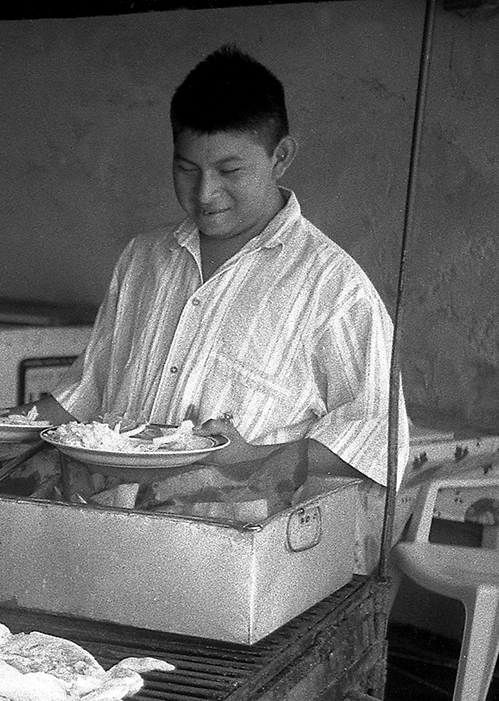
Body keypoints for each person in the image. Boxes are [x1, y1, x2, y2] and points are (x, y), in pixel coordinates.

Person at [21, 45, 406, 496]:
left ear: (280, 157)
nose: (205, 193)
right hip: (112, 522)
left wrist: (254, 461)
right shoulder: (143, 259)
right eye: (186, 168)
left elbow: (382, 438)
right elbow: (87, 393)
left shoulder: (332, 286)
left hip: (232, 545)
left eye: (229, 170)